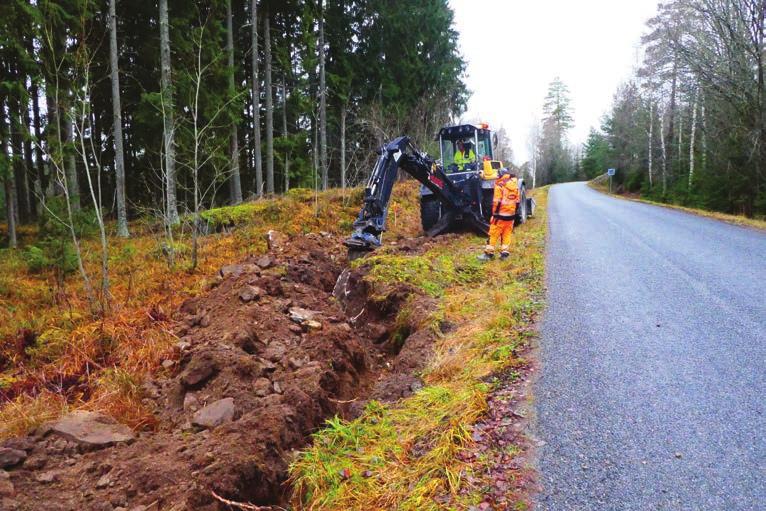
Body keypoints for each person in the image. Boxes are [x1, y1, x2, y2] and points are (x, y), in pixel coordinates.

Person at [479, 167, 518, 261]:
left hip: (500, 216)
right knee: (506, 234)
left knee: (493, 233)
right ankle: (504, 254)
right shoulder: (514, 185)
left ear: (501, 174)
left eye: (498, 174)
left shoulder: (499, 185)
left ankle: (488, 254)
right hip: (511, 216)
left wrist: (494, 214)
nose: (497, 176)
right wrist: (513, 213)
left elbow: (497, 201)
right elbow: (517, 201)